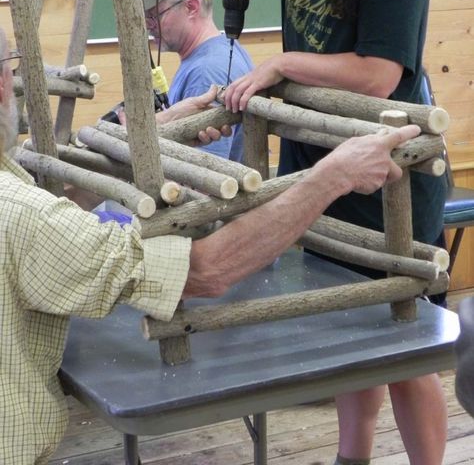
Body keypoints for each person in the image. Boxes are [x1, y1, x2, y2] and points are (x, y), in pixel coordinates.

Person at [0, 26, 420, 465]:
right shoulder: (21, 214)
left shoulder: (18, 198)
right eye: (12, 69)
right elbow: (203, 270)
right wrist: (334, 176)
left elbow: (52, 203)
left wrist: (154, 133)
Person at [202, 0, 448, 465]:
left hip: (384, 169)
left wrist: (282, 63)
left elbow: (377, 74)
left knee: (400, 334)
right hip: (319, 156)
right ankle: (352, 457)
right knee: (345, 327)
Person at [141, 0, 254, 161]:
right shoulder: (220, 50)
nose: (148, 24)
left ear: (191, 7)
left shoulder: (207, 71)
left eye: (154, 15)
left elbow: (204, 175)